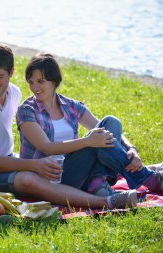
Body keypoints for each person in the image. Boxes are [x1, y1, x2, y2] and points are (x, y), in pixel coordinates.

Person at [0, 43, 137, 209]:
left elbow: (99, 127)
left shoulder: (13, 93)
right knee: (28, 179)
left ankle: (135, 175)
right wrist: (35, 165)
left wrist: (131, 148)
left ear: (11, 73)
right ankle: (107, 201)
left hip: (7, 159)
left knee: (105, 131)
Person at [16, 53, 162, 196]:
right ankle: (145, 177)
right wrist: (87, 141)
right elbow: (47, 148)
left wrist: (131, 149)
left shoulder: (70, 105)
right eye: (31, 82)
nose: (35, 87)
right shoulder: (27, 111)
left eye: (40, 81)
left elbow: (106, 128)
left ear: (54, 81)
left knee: (111, 122)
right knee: (94, 142)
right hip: (48, 178)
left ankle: (97, 181)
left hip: (77, 169)